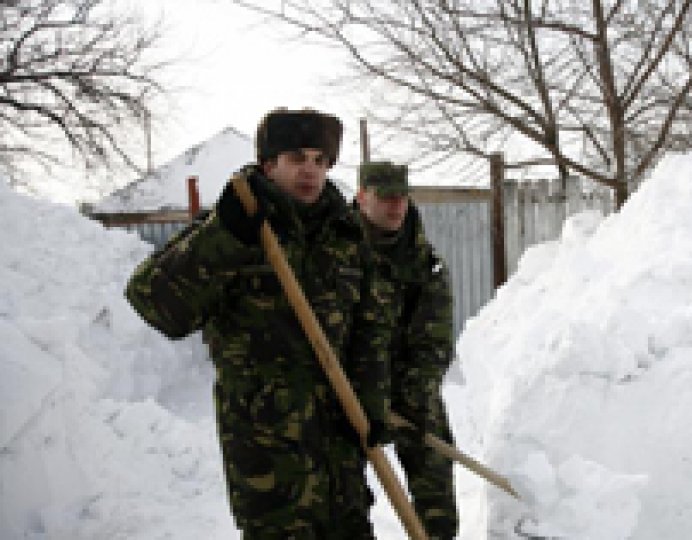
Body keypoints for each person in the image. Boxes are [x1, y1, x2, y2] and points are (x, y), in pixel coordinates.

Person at [125, 108, 395, 539]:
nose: (310, 170)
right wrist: (226, 235)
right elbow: (153, 303)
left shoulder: (346, 235)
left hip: (340, 452)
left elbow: (369, 328)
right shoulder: (237, 225)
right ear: (269, 164)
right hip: (270, 454)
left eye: (320, 160)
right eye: (296, 158)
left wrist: (373, 401)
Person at [354, 161, 459, 539]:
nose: (396, 206)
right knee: (339, 500)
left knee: (436, 496)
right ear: (362, 197)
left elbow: (434, 342)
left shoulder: (425, 265)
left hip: (410, 395)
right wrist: (364, 393)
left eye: (402, 196)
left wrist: (412, 397)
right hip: (347, 392)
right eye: (386, 197)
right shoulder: (337, 254)